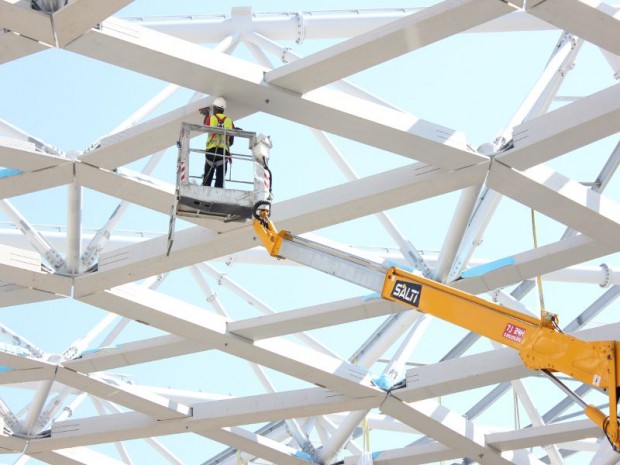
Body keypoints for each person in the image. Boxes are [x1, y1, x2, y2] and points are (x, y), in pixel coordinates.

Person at [201, 97, 235, 188]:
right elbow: (231, 142)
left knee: (207, 181)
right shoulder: (229, 122)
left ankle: (205, 191)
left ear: (215, 108)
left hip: (211, 153)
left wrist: (206, 114)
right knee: (220, 182)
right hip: (223, 154)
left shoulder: (211, 118)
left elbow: (205, 126)